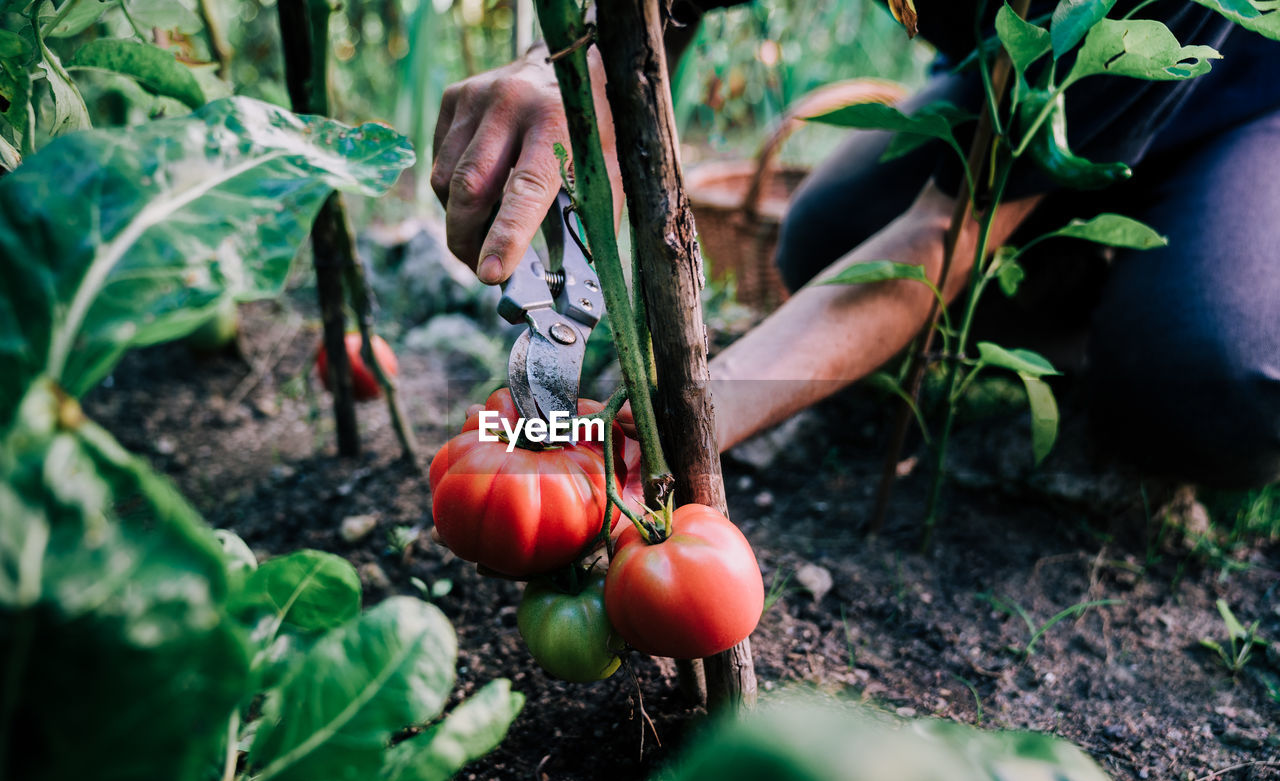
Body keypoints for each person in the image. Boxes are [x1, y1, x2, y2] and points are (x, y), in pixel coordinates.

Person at [430, 0, 1280, 489]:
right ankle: (1094, 242)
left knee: (1199, 381)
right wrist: (565, 70)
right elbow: (643, 14)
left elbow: (944, 228)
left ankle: (1160, 281)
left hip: (1246, 95)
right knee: (830, 236)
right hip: (1019, 84)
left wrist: (701, 408)